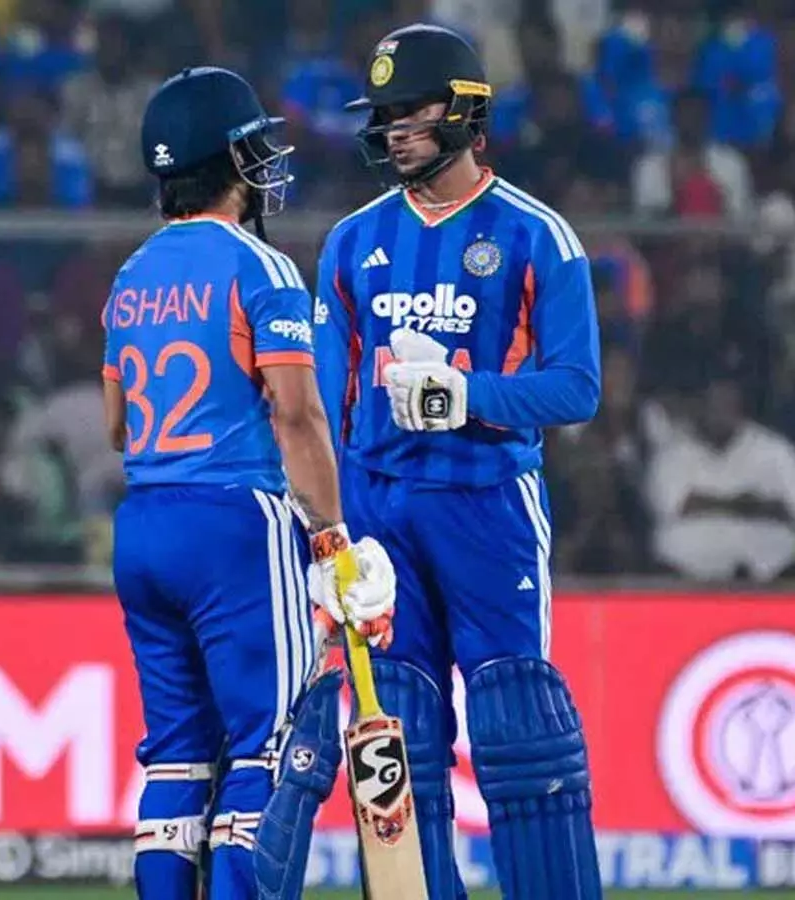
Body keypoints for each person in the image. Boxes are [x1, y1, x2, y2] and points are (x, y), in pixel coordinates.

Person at [313, 25, 603, 900]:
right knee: (397, 734)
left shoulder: (536, 235)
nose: (393, 129)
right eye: (384, 114)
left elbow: (577, 388)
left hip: (488, 504)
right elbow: (324, 405)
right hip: (377, 510)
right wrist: (322, 531)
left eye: (411, 111)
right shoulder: (350, 242)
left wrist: (463, 396)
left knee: (517, 723)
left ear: (467, 113)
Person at [102, 66, 397, 900]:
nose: (266, 161)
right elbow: (297, 417)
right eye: (253, 147)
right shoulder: (259, 266)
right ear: (228, 160)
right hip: (234, 522)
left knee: (176, 758)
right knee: (268, 747)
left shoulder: (130, 275)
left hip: (144, 521)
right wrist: (333, 536)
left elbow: (116, 426)